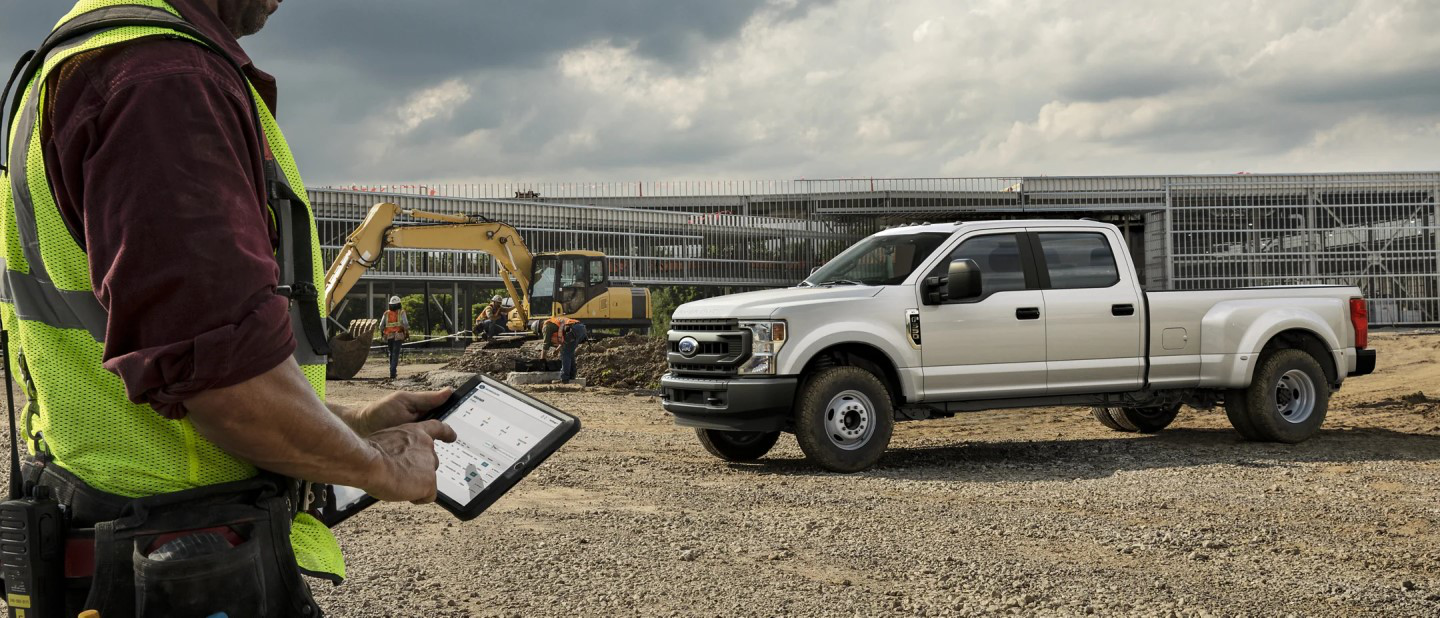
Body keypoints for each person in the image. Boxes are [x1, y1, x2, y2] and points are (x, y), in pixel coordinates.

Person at [0, 0, 457, 614]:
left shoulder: (80, 53)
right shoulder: (163, 81)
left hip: (119, 536)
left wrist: (349, 419)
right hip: (187, 566)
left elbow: (165, 357)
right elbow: (227, 390)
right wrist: (378, 464)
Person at [541, 317, 589, 384]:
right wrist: (557, 350)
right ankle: (572, 376)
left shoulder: (546, 326)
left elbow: (546, 344)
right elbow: (564, 341)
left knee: (565, 354)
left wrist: (542, 360)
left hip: (574, 329)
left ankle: (564, 379)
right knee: (569, 353)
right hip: (581, 329)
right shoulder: (555, 322)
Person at [384, 295, 411, 378]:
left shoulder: (386, 313)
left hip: (389, 336)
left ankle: (392, 371)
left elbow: (381, 326)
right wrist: (406, 332)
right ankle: (393, 372)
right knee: (395, 353)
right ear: (399, 304)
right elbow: (406, 324)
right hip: (398, 335)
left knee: (391, 353)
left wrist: (384, 332)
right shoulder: (402, 312)